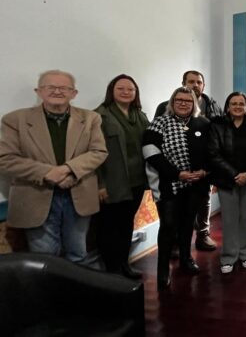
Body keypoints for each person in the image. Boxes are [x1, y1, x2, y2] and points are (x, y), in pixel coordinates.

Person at [0, 70, 107, 264]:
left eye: (64, 88)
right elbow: (5, 158)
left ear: (74, 93)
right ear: (39, 91)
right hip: (36, 195)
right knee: (45, 260)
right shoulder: (15, 120)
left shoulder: (91, 118)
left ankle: (74, 285)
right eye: (51, 87)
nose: (57, 91)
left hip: (78, 194)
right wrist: (48, 173)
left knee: (78, 254)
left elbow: (98, 152)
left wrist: (67, 170)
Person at [143, 87, 212, 290]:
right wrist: (177, 173)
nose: (183, 103)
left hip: (195, 185)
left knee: (187, 223)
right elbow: (150, 152)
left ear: (194, 103)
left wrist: (205, 171)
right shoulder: (159, 123)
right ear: (172, 103)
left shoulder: (203, 123)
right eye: (178, 100)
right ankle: (163, 269)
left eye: (187, 100)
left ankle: (186, 258)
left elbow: (213, 150)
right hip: (168, 186)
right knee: (168, 225)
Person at [155, 70, 222, 252]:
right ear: (183, 83)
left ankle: (203, 234)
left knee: (204, 200)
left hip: (203, 169)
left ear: (203, 85)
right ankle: (176, 242)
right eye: (191, 81)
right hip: (175, 171)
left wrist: (207, 168)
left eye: (199, 82)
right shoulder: (165, 107)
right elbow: (157, 139)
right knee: (176, 208)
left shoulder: (213, 106)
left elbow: (217, 138)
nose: (195, 85)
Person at [94, 74, 150, 278]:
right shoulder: (99, 116)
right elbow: (93, 153)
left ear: (136, 93)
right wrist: (100, 184)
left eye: (130, 89)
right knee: (109, 227)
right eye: (121, 88)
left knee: (126, 225)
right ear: (112, 91)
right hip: (112, 183)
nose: (126, 92)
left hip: (137, 182)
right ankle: (112, 270)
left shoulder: (140, 116)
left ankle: (124, 264)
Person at [208, 92, 246, 274]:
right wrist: (234, 174)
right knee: (229, 219)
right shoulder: (217, 125)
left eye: (241, 103)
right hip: (226, 180)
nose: (238, 107)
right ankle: (229, 256)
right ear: (228, 106)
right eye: (234, 103)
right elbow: (214, 153)